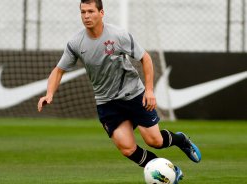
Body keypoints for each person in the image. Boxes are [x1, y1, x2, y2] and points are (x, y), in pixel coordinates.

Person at [38, 0, 201, 183]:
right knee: (127, 148)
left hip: (134, 94)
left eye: (90, 11)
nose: (86, 16)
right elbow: (58, 70)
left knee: (155, 141)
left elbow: (145, 58)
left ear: (101, 13)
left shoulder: (118, 35)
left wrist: (149, 90)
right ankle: (170, 172)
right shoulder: (76, 43)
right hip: (107, 102)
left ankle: (181, 140)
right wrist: (49, 93)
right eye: (83, 12)